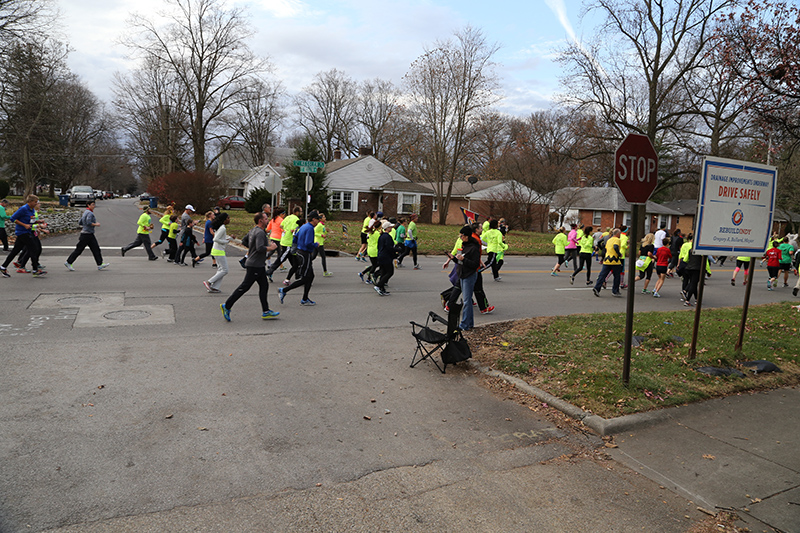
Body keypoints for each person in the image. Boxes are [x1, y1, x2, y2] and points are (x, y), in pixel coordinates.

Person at [219, 212, 279, 321]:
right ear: (260, 221)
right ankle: (227, 305)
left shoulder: (253, 230)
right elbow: (260, 247)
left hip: (257, 264)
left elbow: (244, 241)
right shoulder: (260, 232)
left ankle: (266, 311)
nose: (268, 220)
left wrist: (251, 249)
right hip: (255, 265)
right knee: (244, 287)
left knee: (264, 286)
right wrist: (271, 248)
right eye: (266, 219)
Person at [278, 211, 319, 306]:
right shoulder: (310, 228)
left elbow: (295, 238)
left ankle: (305, 298)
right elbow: (308, 243)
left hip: (300, 252)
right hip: (305, 254)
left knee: (311, 276)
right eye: (317, 219)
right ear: (313, 219)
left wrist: (295, 248)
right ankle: (284, 290)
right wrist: (315, 245)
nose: (318, 221)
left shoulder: (303, 226)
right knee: (305, 278)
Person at [1, 195, 46, 277]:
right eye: (35, 202)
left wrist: (38, 222)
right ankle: (35, 269)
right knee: (33, 248)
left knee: (15, 251)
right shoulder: (23, 209)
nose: (36, 204)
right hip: (23, 232)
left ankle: (3, 266)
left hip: (27, 231)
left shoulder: (32, 210)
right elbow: (13, 218)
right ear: (30, 201)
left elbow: (31, 220)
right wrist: (24, 225)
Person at [65, 200, 109, 271]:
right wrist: (95, 224)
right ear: (88, 205)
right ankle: (69, 262)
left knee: (96, 249)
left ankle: (100, 264)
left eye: (94, 204)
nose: (93, 206)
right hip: (86, 235)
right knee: (79, 249)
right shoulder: (90, 213)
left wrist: (85, 226)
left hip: (88, 234)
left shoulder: (85, 212)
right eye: (92, 205)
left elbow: (80, 222)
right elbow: (88, 222)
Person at [452, 225, 481, 331]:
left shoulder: (474, 248)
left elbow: (475, 264)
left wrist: (464, 259)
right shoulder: (465, 246)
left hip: (469, 275)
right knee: (466, 300)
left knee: (467, 301)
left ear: (467, 236)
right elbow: (461, 262)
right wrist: (454, 259)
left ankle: (464, 324)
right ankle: (469, 323)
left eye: (462, 236)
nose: (461, 238)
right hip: (463, 274)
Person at [592, 228, 623, 297]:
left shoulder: (609, 240)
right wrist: (619, 254)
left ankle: (597, 287)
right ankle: (615, 291)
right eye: (619, 234)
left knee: (602, 275)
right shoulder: (617, 240)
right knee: (617, 276)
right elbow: (615, 247)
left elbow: (605, 247)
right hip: (615, 260)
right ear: (617, 234)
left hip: (606, 260)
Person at [204, 212, 230, 293]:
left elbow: (221, 238)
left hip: (216, 250)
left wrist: (229, 238)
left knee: (221, 270)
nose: (229, 220)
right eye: (228, 218)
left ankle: (215, 287)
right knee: (225, 270)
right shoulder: (223, 228)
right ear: (224, 219)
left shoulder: (221, 227)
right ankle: (209, 282)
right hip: (219, 251)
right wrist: (225, 242)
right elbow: (216, 239)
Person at [374, 219, 397, 295]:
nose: (391, 228)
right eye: (390, 227)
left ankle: (382, 289)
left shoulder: (381, 236)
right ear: (387, 228)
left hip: (381, 256)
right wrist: (396, 250)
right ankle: (378, 285)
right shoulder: (387, 237)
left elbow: (379, 246)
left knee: (383, 272)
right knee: (390, 272)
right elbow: (389, 248)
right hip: (386, 257)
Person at [314, 212, 332, 277]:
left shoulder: (322, 225)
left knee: (313, 257)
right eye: (324, 217)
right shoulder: (319, 225)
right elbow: (314, 232)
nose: (325, 218)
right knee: (323, 257)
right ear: (320, 219)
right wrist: (321, 235)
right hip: (318, 243)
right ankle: (325, 271)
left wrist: (327, 231)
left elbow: (323, 232)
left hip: (319, 243)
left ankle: (304, 264)